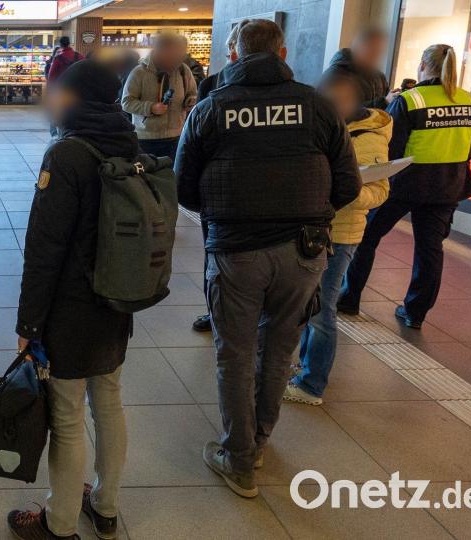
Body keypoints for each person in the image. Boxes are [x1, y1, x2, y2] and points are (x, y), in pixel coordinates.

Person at [174, 19, 361, 498]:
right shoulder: (317, 106)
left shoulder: (211, 108)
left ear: (233, 56)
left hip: (236, 251)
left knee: (234, 354)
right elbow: (348, 185)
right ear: (282, 53)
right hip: (304, 252)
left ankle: (238, 459)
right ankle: (257, 441)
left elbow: (185, 189)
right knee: (280, 350)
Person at [5, 60, 135, 540]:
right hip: (118, 300)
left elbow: (43, 252)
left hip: (71, 310)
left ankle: (58, 524)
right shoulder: (127, 142)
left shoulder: (66, 155)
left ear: (76, 99)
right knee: (110, 402)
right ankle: (105, 505)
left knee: (66, 415)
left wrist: (28, 323)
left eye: (60, 93)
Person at [339, 44, 471, 329]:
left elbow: (391, 145)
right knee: (430, 250)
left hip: (405, 184)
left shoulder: (411, 100)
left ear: (422, 65)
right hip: (448, 186)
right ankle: (415, 312)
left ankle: (349, 298)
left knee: (367, 237)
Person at [283, 73, 392, 406]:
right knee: (307, 305)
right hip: (309, 229)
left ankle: (312, 385)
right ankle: (304, 368)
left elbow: (379, 190)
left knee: (321, 310)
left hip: (340, 234)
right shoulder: (321, 124)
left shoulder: (369, 137)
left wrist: (339, 188)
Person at [192, 22, 245, 334]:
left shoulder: (213, 87)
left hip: (221, 193)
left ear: (232, 52)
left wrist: (195, 195)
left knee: (217, 258)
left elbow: (194, 148)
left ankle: (217, 313)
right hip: (274, 202)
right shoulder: (299, 96)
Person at [122, 33, 198, 158]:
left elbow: (193, 94)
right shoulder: (139, 72)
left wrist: (190, 101)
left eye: (176, 54)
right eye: (169, 54)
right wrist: (150, 108)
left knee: (172, 174)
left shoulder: (183, 71)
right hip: (146, 139)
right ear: (158, 51)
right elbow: (126, 103)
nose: (173, 59)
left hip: (177, 136)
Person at [324, 26, 395, 109]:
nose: (377, 55)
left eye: (380, 51)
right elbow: (335, 112)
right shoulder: (335, 75)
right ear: (359, 46)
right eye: (373, 49)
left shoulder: (379, 76)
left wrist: (393, 98)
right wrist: (384, 102)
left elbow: (386, 101)